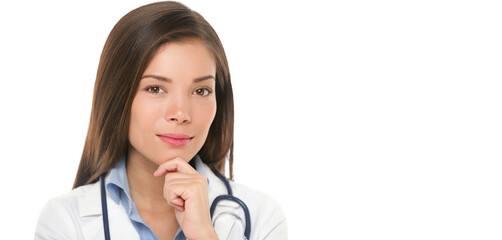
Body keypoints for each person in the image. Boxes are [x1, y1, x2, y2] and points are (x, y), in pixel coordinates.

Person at [34, 1, 287, 240]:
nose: (181, 113)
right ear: (118, 97)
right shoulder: (65, 220)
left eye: (201, 91)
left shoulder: (262, 217)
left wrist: (203, 234)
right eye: (155, 89)